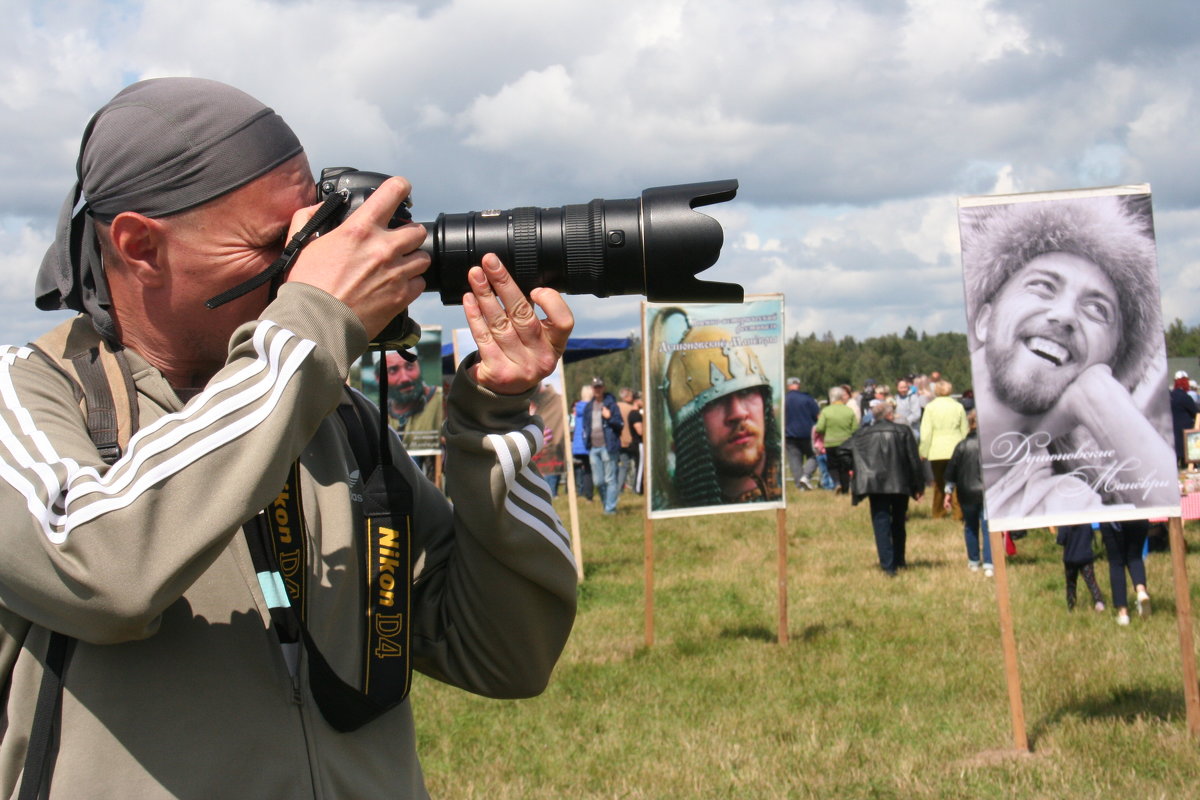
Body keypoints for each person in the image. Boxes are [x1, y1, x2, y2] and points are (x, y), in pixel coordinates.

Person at [0, 78, 577, 798]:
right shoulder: (31, 395)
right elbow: (105, 567)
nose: (307, 268)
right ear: (140, 246)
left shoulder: (326, 415)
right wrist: (313, 323)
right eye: (277, 245)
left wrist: (494, 413)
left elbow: (504, 655)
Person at [960, 194, 1179, 523]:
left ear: (1110, 364)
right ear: (984, 320)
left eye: (1097, 310)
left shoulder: (1062, 500)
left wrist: (1097, 396)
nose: (1064, 315)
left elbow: (1167, 510)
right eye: (1043, 286)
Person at [654, 321, 781, 509]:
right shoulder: (671, 509)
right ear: (689, 427)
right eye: (714, 402)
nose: (738, 413)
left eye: (747, 392)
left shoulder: (795, 500)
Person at [845, 401, 925, 576]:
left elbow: (842, 451)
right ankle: (899, 560)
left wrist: (857, 466)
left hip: (875, 484)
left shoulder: (863, 434)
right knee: (898, 522)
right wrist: (919, 486)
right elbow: (914, 460)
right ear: (889, 415)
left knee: (880, 523)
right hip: (900, 482)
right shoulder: (903, 431)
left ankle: (888, 566)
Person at [943, 410, 992, 576]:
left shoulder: (962, 445)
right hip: (987, 492)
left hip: (967, 492)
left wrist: (948, 493)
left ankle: (973, 562)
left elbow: (951, 472)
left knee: (970, 526)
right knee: (987, 528)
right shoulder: (991, 444)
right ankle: (989, 563)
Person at [919, 379, 968, 520]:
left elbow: (926, 432)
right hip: (956, 447)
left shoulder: (930, 407)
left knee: (939, 483)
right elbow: (964, 429)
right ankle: (958, 513)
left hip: (937, 450)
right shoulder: (958, 406)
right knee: (957, 483)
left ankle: (938, 512)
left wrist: (923, 450)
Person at [1099, 519, 1152, 626]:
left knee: (1116, 563)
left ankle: (1123, 614)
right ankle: (1141, 591)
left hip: (1112, 519)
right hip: (1138, 515)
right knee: (1135, 557)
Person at [583, 377, 623, 514]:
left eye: (599, 387)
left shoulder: (611, 404)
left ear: (603, 388)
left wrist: (610, 417)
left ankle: (610, 509)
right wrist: (585, 442)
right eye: (595, 387)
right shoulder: (589, 407)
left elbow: (620, 424)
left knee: (610, 479)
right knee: (598, 481)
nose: (597, 389)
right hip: (593, 448)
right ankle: (607, 504)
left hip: (608, 446)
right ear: (592, 389)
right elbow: (585, 426)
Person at [815, 386, 858, 494]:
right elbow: (855, 428)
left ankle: (837, 483)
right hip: (846, 444)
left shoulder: (826, 411)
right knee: (845, 468)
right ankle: (845, 490)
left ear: (831, 398)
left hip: (830, 443)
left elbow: (819, 428)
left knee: (833, 466)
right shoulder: (849, 411)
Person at [1055, 524, 1106, 613]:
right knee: (1091, 581)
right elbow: (1091, 535)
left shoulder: (1064, 522)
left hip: (1070, 559)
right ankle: (1099, 602)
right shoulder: (1084, 521)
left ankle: (1071, 605)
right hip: (1085, 557)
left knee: (1071, 583)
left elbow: (1061, 540)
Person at [784, 376, 821, 490]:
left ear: (788, 386)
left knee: (795, 460)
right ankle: (805, 476)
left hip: (789, 435)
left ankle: (800, 486)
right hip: (807, 434)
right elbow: (818, 416)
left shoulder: (783, 399)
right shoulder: (807, 399)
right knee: (815, 455)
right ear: (798, 385)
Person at [571, 385, 595, 501]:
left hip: (578, 444)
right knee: (590, 470)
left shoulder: (578, 408)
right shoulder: (591, 408)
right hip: (588, 443)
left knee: (585, 469)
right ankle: (589, 494)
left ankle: (584, 491)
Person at [1171, 371, 1199, 468]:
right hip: (1185, 431)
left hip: (1172, 430)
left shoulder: (1170, 396)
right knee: (1187, 458)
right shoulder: (1185, 397)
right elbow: (1196, 412)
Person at [616, 386, 637, 492]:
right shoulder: (632, 409)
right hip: (632, 441)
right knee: (636, 465)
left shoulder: (616, 406)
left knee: (623, 466)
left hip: (620, 441)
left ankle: (620, 488)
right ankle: (635, 487)